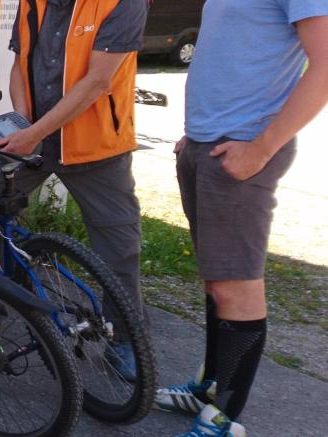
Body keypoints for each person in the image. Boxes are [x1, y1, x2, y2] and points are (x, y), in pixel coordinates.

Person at [154, 1, 328, 436]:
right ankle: (208, 389)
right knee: (218, 282)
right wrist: (196, 133)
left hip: (244, 148)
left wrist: (262, 147)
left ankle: (223, 419)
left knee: (237, 287)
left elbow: (325, 67)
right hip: (206, 144)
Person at [0, 0, 148, 380]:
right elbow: (20, 64)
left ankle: (125, 340)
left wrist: (34, 133)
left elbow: (98, 80)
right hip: (35, 138)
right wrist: (22, 124)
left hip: (97, 148)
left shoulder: (124, 2)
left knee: (118, 248)